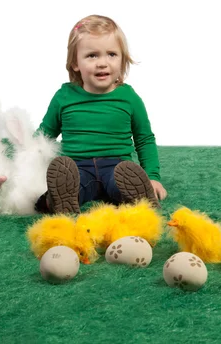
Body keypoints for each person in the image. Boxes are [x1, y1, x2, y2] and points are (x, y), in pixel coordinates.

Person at [35, 15, 167, 214]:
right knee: (73, 188)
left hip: (118, 167)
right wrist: (23, 165)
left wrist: (152, 177)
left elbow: (144, 139)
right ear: (75, 63)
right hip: (76, 168)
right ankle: (58, 199)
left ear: (122, 59)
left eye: (111, 54)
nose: (102, 63)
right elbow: (44, 136)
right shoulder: (64, 96)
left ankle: (140, 196)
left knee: (122, 186)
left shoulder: (128, 97)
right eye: (92, 55)